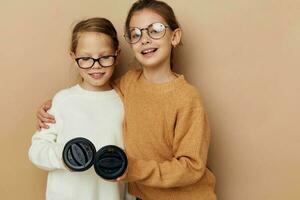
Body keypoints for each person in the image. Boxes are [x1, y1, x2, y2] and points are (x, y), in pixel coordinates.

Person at [37, 0, 217, 199]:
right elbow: (93, 96)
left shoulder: (188, 98)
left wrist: (135, 169)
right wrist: (52, 105)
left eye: (155, 30)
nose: (145, 39)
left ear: (174, 36)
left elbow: (192, 167)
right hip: (140, 195)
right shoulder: (128, 84)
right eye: (136, 33)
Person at [29, 17, 127, 200]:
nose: (95, 66)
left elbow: (131, 161)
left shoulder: (124, 102)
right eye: (86, 58)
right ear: (74, 58)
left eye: (105, 57)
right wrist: (65, 155)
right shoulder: (62, 101)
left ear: (117, 55)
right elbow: (36, 151)